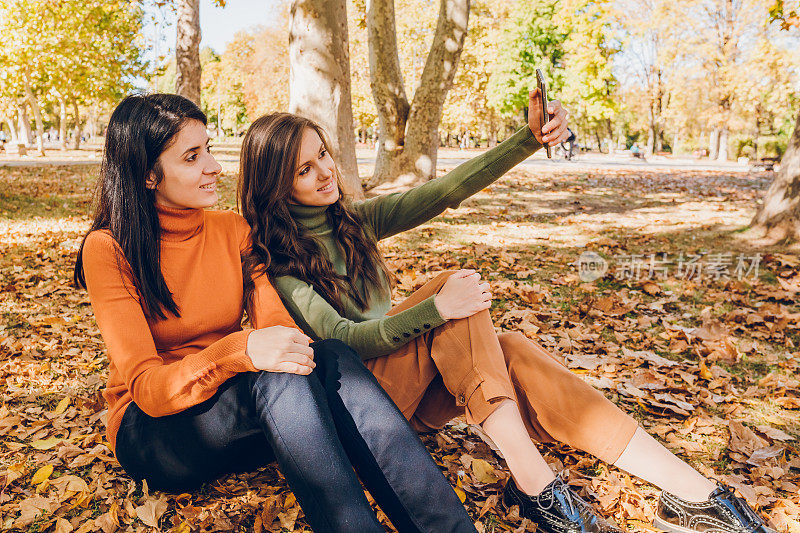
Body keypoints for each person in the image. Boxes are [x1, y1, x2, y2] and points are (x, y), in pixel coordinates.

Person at [237, 90, 777, 533]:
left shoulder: (351, 221)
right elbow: (344, 339)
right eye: (304, 170)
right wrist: (434, 309)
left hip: (411, 394)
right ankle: (538, 485)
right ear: (275, 185)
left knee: (512, 348)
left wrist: (528, 139)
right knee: (450, 290)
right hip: (363, 411)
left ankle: (695, 491)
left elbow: (446, 190)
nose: (324, 173)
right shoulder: (279, 263)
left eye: (324, 155)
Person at [73, 93, 480, 533]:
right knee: (280, 371)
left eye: (208, 148)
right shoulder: (109, 249)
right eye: (193, 157)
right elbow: (148, 388)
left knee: (330, 356)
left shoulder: (233, 231)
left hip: (244, 411)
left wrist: (267, 351)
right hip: (156, 433)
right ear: (149, 174)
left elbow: (285, 338)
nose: (213, 166)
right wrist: (240, 350)